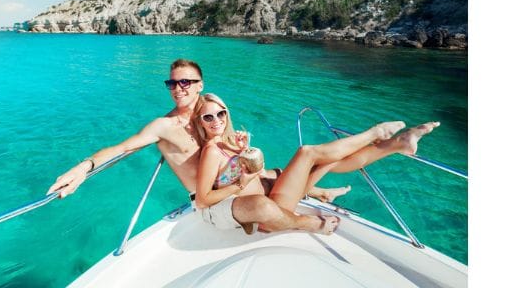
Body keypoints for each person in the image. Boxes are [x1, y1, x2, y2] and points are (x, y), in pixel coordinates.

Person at [47, 59, 350, 233]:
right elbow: (122, 148)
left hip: (232, 186)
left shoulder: (210, 115)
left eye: (186, 82)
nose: (178, 89)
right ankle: (304, 222)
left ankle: (322, 190)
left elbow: (231, 162)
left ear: (200, 85)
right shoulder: (163, 126)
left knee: (288, 168)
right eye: (172, 83)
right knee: (267, 199)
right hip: (210, 203)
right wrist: (84, 167)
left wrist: (242, 150)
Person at [192, 92, 440, 235]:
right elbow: (203, 200)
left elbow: (250, 173)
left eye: (221, 113)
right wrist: (239, 184)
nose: (216, 120)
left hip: (274, 196)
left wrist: (244, 150)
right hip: (272, 212)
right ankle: (376, 132)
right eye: (208, 117)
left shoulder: (229, 143)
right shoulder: (211, 151)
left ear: (227, 113)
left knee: (328, 161)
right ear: (200, 122)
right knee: (307, 153)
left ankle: (398, 144)